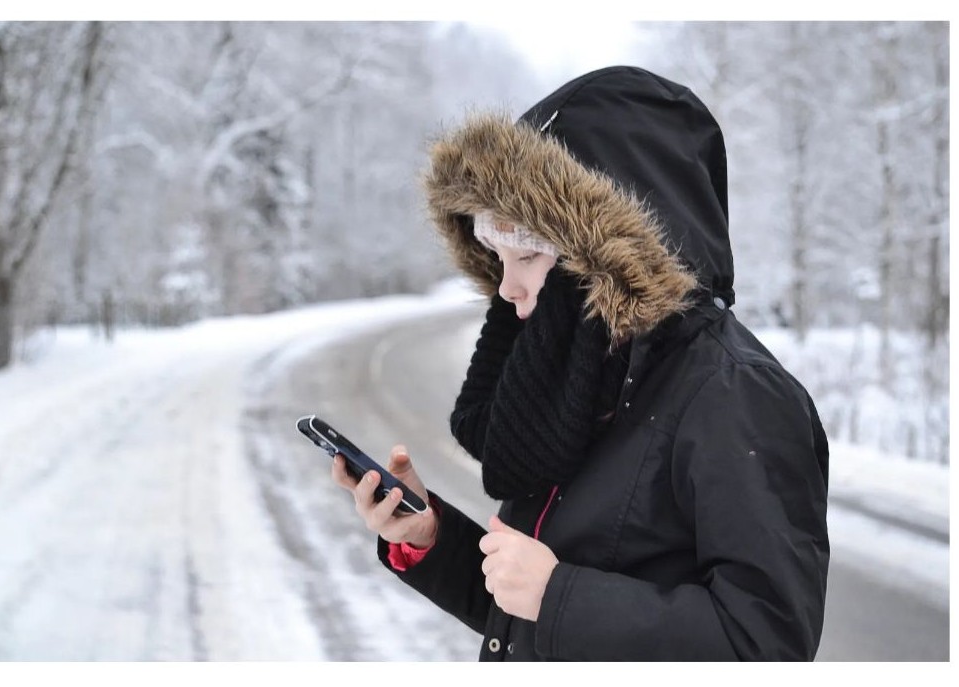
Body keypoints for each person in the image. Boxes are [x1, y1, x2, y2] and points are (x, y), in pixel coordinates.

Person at [331, 65, 830, 661]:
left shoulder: (735, 393)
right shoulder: (577, 369)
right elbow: (527, 612)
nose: (507, 287)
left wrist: (557, 595)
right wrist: (429, 537)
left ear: (609, 251)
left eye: (528, 257)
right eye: (497, 256)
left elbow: (766, 646)